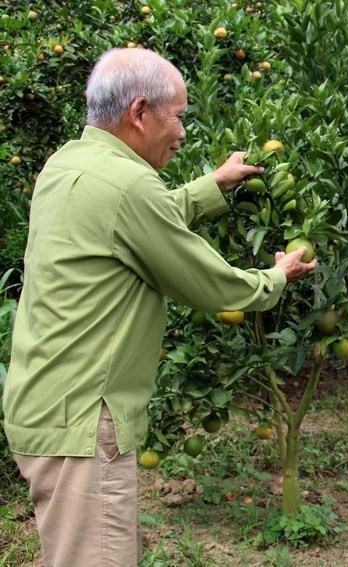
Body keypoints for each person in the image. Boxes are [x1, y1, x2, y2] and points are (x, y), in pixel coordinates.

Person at [2, 48, 316, 566]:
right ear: (140, 112)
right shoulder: (127, 186)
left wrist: (209, 187)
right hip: (83, 421)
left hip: (43, 404)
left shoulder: (70, 163)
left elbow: (133, 223)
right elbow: (211, 285)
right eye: (178, 116)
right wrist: (275, 278)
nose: (184, 132)